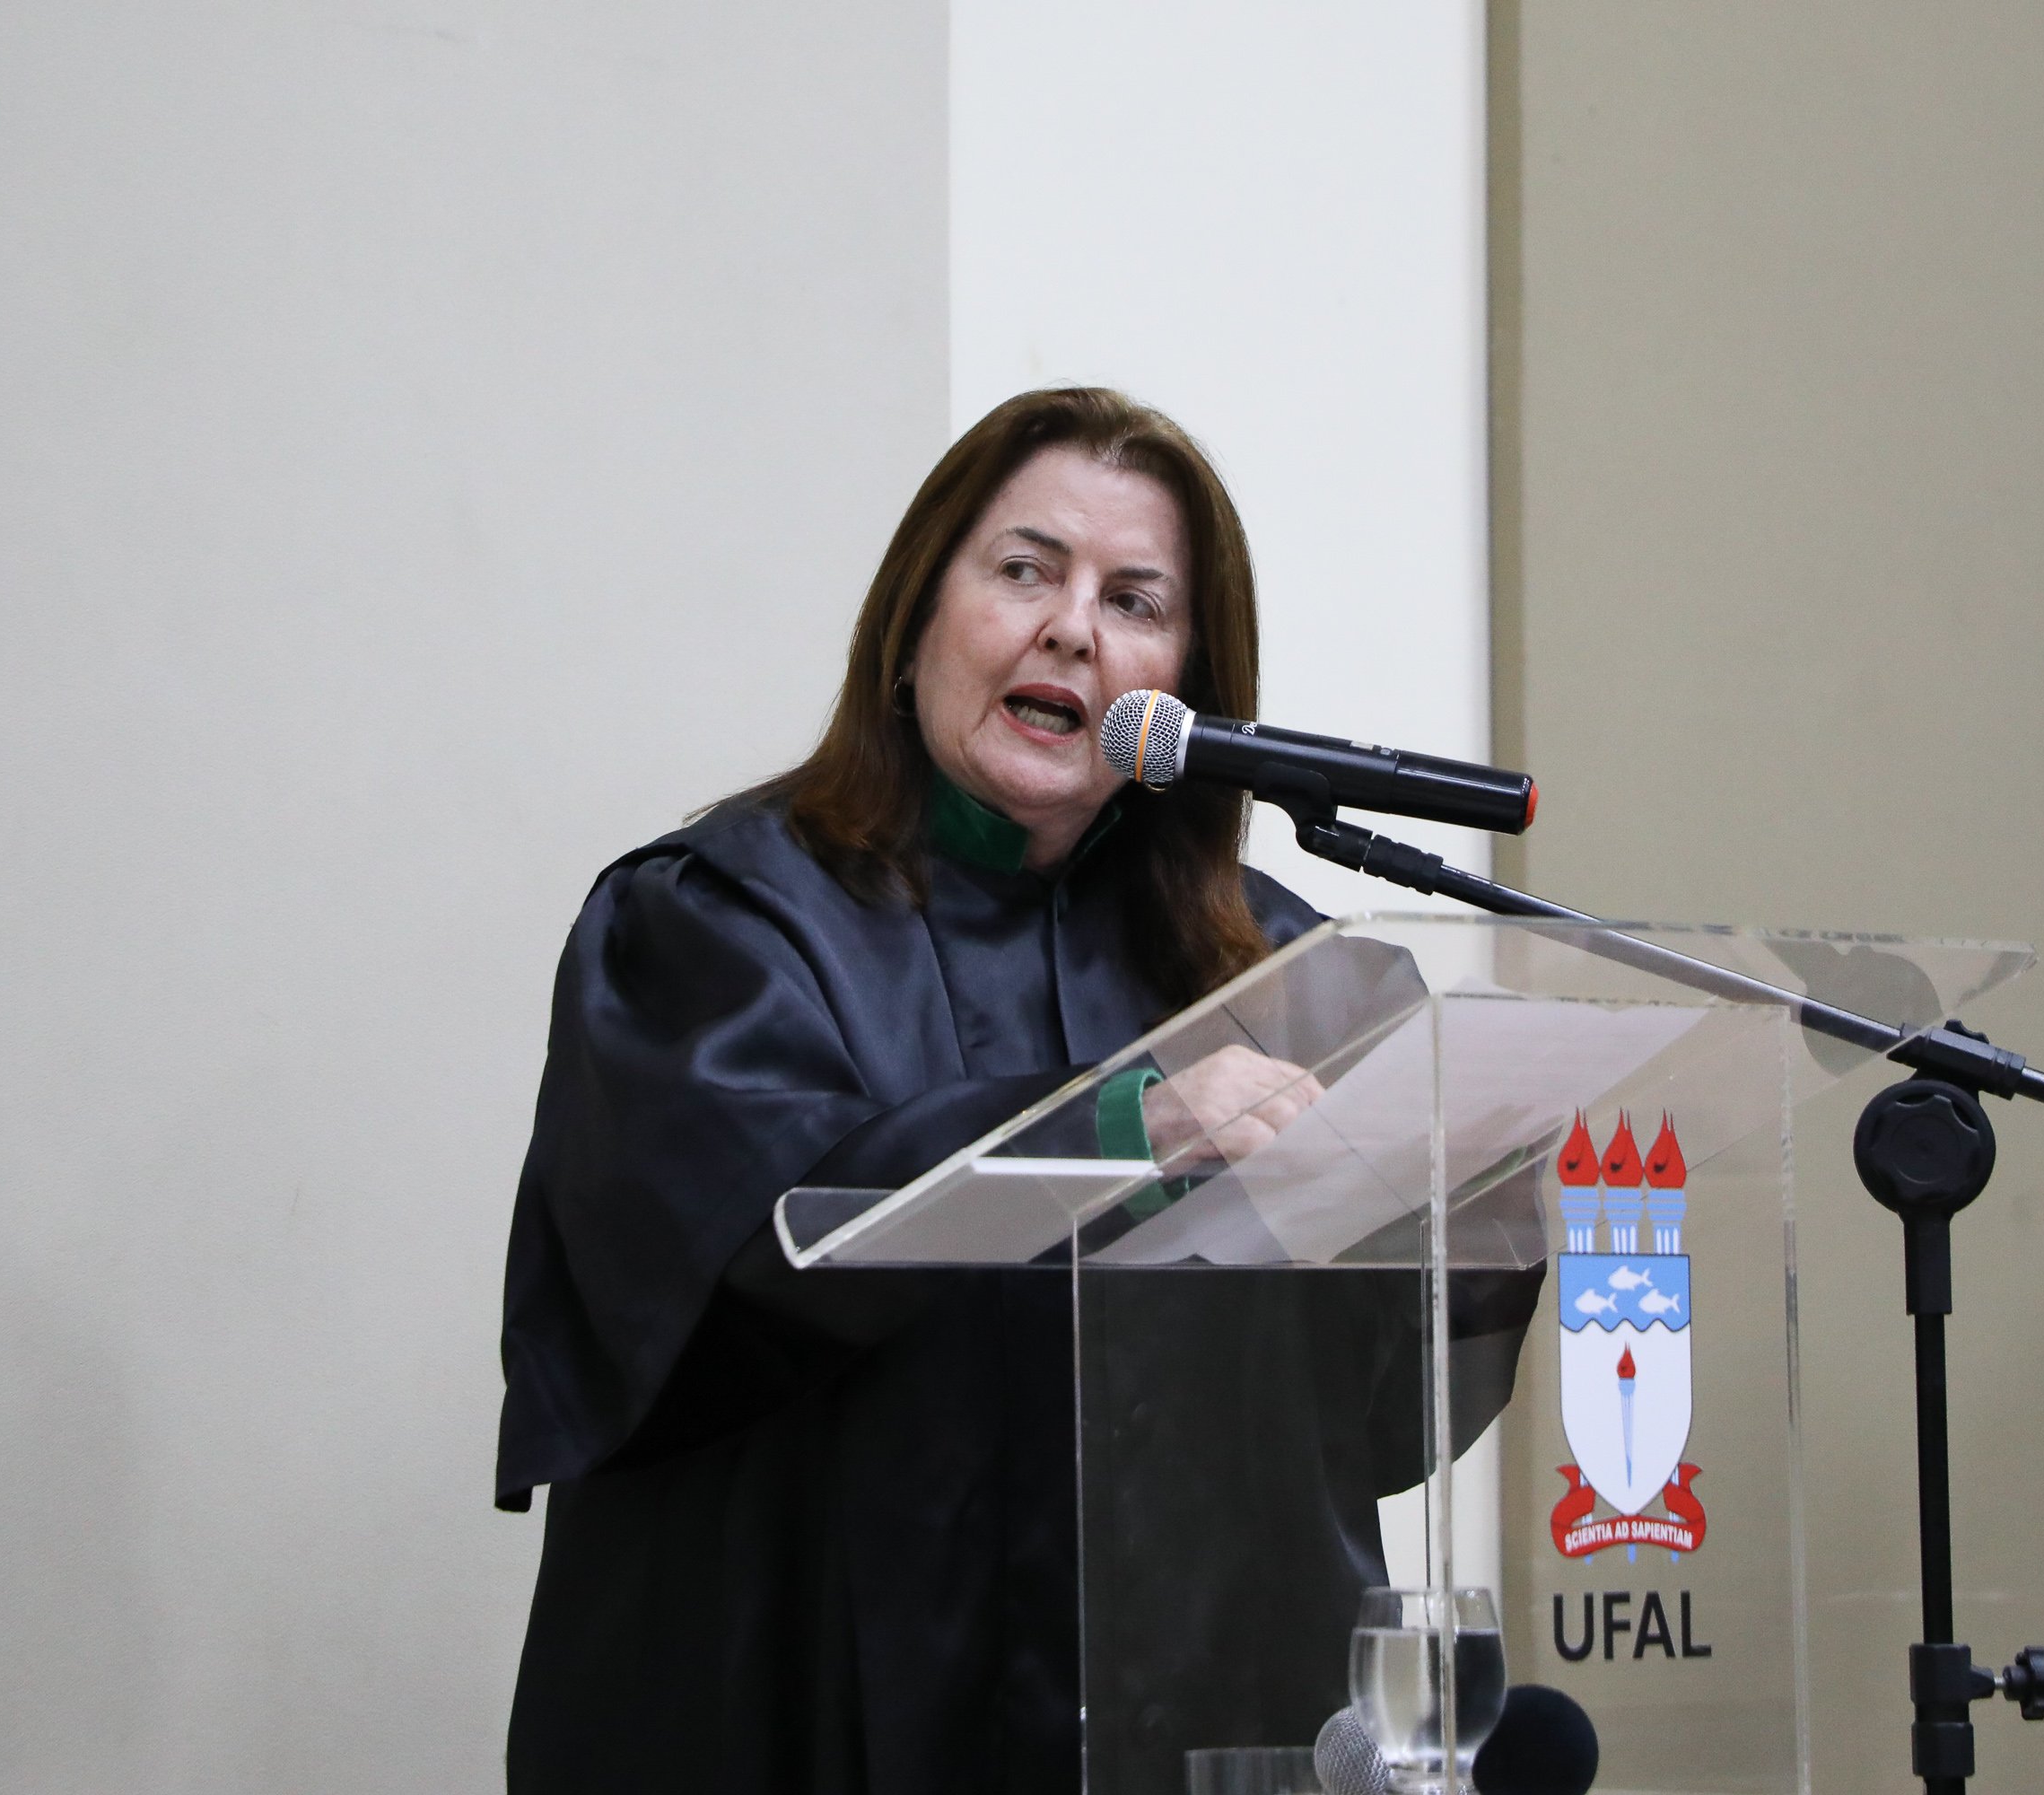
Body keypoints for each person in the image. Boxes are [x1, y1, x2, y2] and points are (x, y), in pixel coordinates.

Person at [494, 389, 1534, 1793]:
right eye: (1027, 571)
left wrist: (1479, 1202)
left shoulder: (1286, 982)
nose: (1073, 630)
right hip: (801, 1716)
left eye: (1135, 601)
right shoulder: (710, 925)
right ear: (917, 616)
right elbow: (754, 1245)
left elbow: (1380, 1412)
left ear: (1185, 684)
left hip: (1176, 1731)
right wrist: (1118, 1128)